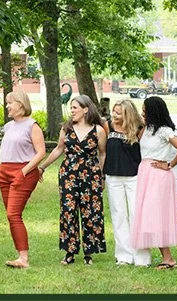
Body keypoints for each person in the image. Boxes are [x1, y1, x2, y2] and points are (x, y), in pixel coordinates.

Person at [38, 95, 107, 265]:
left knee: (90, 212)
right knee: (68, 211)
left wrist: (102, 176)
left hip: (91, 174)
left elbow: (103, 153)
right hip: (68, 174)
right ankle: (69, 252)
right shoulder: (66, 128)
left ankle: (89, 253)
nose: (72, 110)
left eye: (75, 107)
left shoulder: (98, 130)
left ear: (86, 109)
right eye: (71, 107)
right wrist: (42, 166)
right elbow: (58, 149)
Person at [131, 96, 177, 270]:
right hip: (145, 173)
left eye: (145, 110)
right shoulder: (146, 129)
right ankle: (166, 258)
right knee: (148, 215)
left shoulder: (164, 131)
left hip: (158, 175)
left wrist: (169, 164)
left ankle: (168, 259)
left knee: (155, 215)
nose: (142, 113)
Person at [0, 90, 45, 269]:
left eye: (11, 103)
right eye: (7, 103)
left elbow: (41, 152)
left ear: (21, 105)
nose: (7, 106)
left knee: (13, 214)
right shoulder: (9, 126)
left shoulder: (32, 126)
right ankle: (20, 255)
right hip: (4, 173)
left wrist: (23, 172)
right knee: (12, 216)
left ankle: (23, 259)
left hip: (22, 173)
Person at [103, 99, 151, 267]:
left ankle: (142, 256)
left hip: (134, 177)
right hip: (113, 176)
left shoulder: (140, 128)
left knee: (137, 215)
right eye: (113, 111)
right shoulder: (107, 126)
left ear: (127, 114)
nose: (114, 115)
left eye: (118, 112)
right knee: (119, 215)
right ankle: (123, 255)